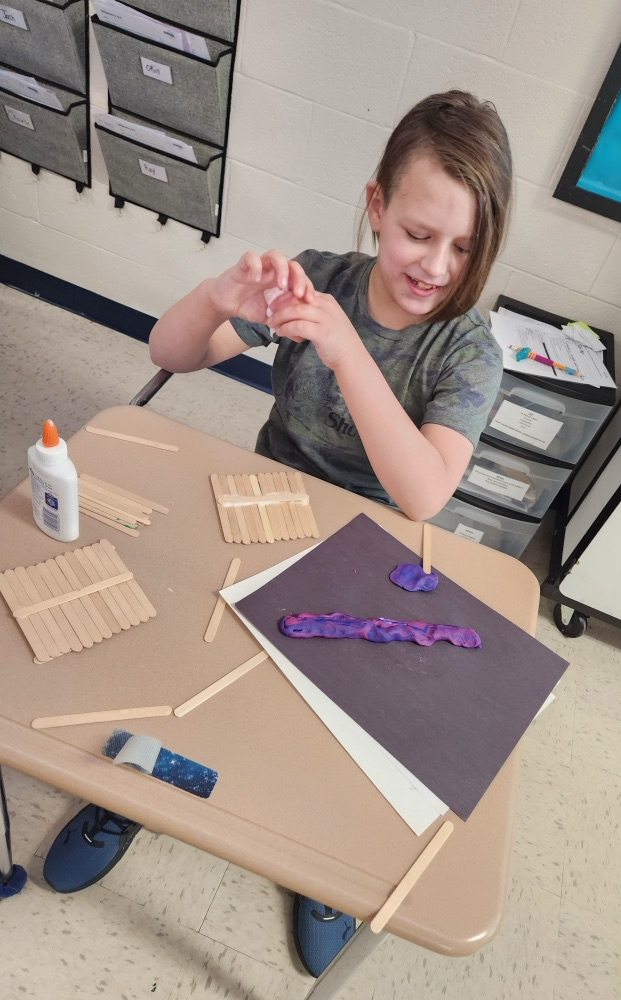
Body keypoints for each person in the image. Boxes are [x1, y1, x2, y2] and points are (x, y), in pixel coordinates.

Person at [42, 89, 513, 976]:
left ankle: (323, 869)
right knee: (186, 661)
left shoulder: (467, 350)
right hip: (259, 516)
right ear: (376, 206)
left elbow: (422, 494)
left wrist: (347, 351)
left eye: (463, 246)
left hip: (376, 560)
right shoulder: (321, 279)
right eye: (418, 233)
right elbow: (170, 352)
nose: (436, 265)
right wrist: (218, 293)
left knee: (329, 732)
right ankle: (133, 791)